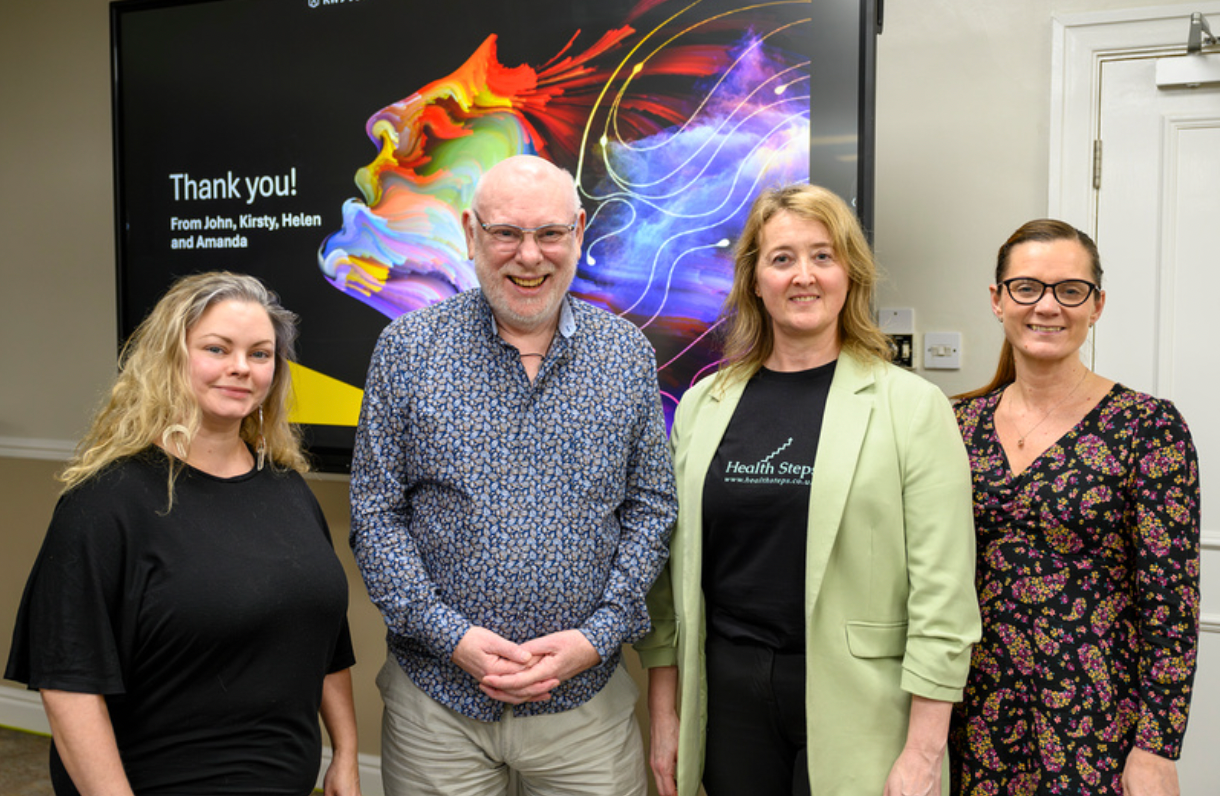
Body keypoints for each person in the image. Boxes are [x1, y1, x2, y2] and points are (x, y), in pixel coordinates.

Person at [637, 183, 981, 796]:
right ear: (754, 280)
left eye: (823, 256)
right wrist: (664, 716)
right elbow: (666, 583)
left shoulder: (913, 407)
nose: (804, 276)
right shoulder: (703, 405)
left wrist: (925, 751)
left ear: (850, 273)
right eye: (782, 258)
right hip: (728, 698)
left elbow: (945, 597)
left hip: (862, 704)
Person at [349, 154, 678, 796]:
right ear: (471, 234)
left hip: (585, 709)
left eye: (549, 233)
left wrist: (598, 635)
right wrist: (450, 635)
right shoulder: (408, 350)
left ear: (577, 233)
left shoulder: (625, 355)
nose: (529, 256)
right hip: (437, 708)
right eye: (506, 233)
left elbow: (651, 509)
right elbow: (376, 515)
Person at [5, 272, 361, 796]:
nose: (241, 367)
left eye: (260, 354)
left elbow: (326, 639)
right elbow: (69, 686)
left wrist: (346, 753)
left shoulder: (288, 489)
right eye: (217, 349)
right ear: (169, 358)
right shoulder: (104, 503)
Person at [949, 220, 1200, 796]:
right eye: (1026, 288)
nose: (1047, 307)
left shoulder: (1148, 427)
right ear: (997, 300)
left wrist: (1157, 747)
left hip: (1096, 722)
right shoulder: (955, 423)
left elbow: (1171, 604)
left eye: (1070, 290)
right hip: (973, 714)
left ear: (1097, 306)